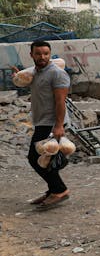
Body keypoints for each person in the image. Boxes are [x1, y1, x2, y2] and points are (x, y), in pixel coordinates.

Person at [12, 41, 71, 207]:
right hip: (41, 121)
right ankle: (54, 190)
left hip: (51, 123)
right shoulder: (35, 73)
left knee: (35, 157)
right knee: (45, 158)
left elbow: (61, 102)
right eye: (38, 53)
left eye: (46, 53)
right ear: (31, 55)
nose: (42, 57)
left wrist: (59, 126)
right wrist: (18, 77)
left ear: (50, 54)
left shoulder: (57, 73)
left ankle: (59, 190)